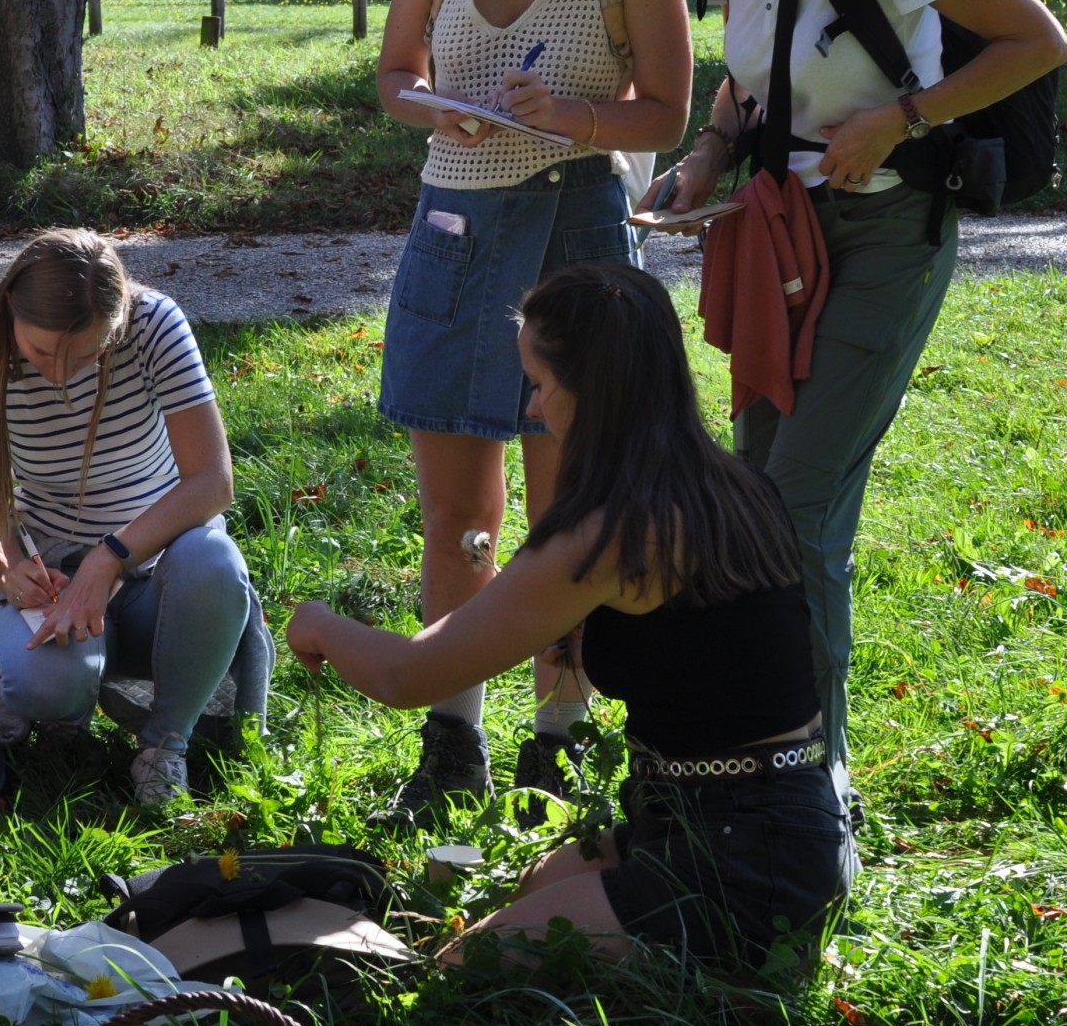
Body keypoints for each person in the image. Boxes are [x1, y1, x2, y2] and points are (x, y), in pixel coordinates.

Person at [620, 0, 1067, 778]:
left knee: (793, 508)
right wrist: (706, 156)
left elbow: (1036, 40)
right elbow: (748, 75)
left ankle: (810, 776)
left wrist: (904, 119)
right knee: (750, 496)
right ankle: (751, 743)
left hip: (886, 237)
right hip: (780, 235)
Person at [289, 264, 849, 967]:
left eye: (541, 383)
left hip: (741, 861)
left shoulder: (612, 530)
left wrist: (318, 624)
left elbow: (411, 675)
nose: (531, 407)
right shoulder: (730, 483)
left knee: (464, 965)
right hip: (769, 826)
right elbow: (716, 648)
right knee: (535, 886)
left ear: (594, 395)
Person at [369, 0, 693, 820]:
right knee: (457, 511)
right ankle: (451, 732)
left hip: (577, 231)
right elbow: (395, 76)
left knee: (567, 511)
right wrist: (435, 105)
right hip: (455, 220)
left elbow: (668, 114)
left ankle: (558, 732)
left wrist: (580, 116)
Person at [0, 229, 269, 808]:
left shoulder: (154, 324)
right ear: (9, 312)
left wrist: (112, 556)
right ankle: (63, 725)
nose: (61, 375)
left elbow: (213, 482)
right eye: (44, 353)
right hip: (51, 572)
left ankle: (164, 745)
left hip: (159, 567)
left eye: (87, 355)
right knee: (44, 684)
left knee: (213, 560)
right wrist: (13, 564)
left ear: (119, 319)